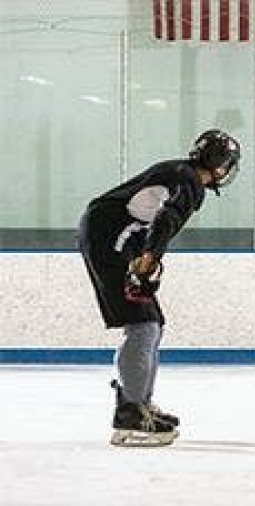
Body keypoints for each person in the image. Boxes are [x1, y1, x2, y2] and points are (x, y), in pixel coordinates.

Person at [77, 129, 240, 446]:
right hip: (107, 237)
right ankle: (130, 414)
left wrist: (143, 256)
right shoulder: (190, 181)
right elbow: (165, 218)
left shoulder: (181, 173)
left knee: (153, 323)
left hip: (114, 237)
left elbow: (145, 218)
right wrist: (149, 258)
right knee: (143, 323)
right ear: (220, 165)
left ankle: (139, 402)